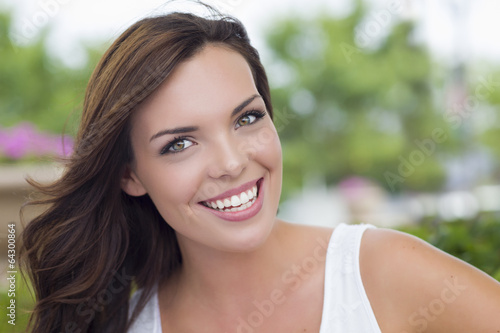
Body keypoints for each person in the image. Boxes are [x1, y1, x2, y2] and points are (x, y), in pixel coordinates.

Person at [20, 6, 500, 333]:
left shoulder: (383, 271)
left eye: (246, 118)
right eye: (180, 144)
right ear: (130, 175)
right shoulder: (120, 322)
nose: (231, 163)